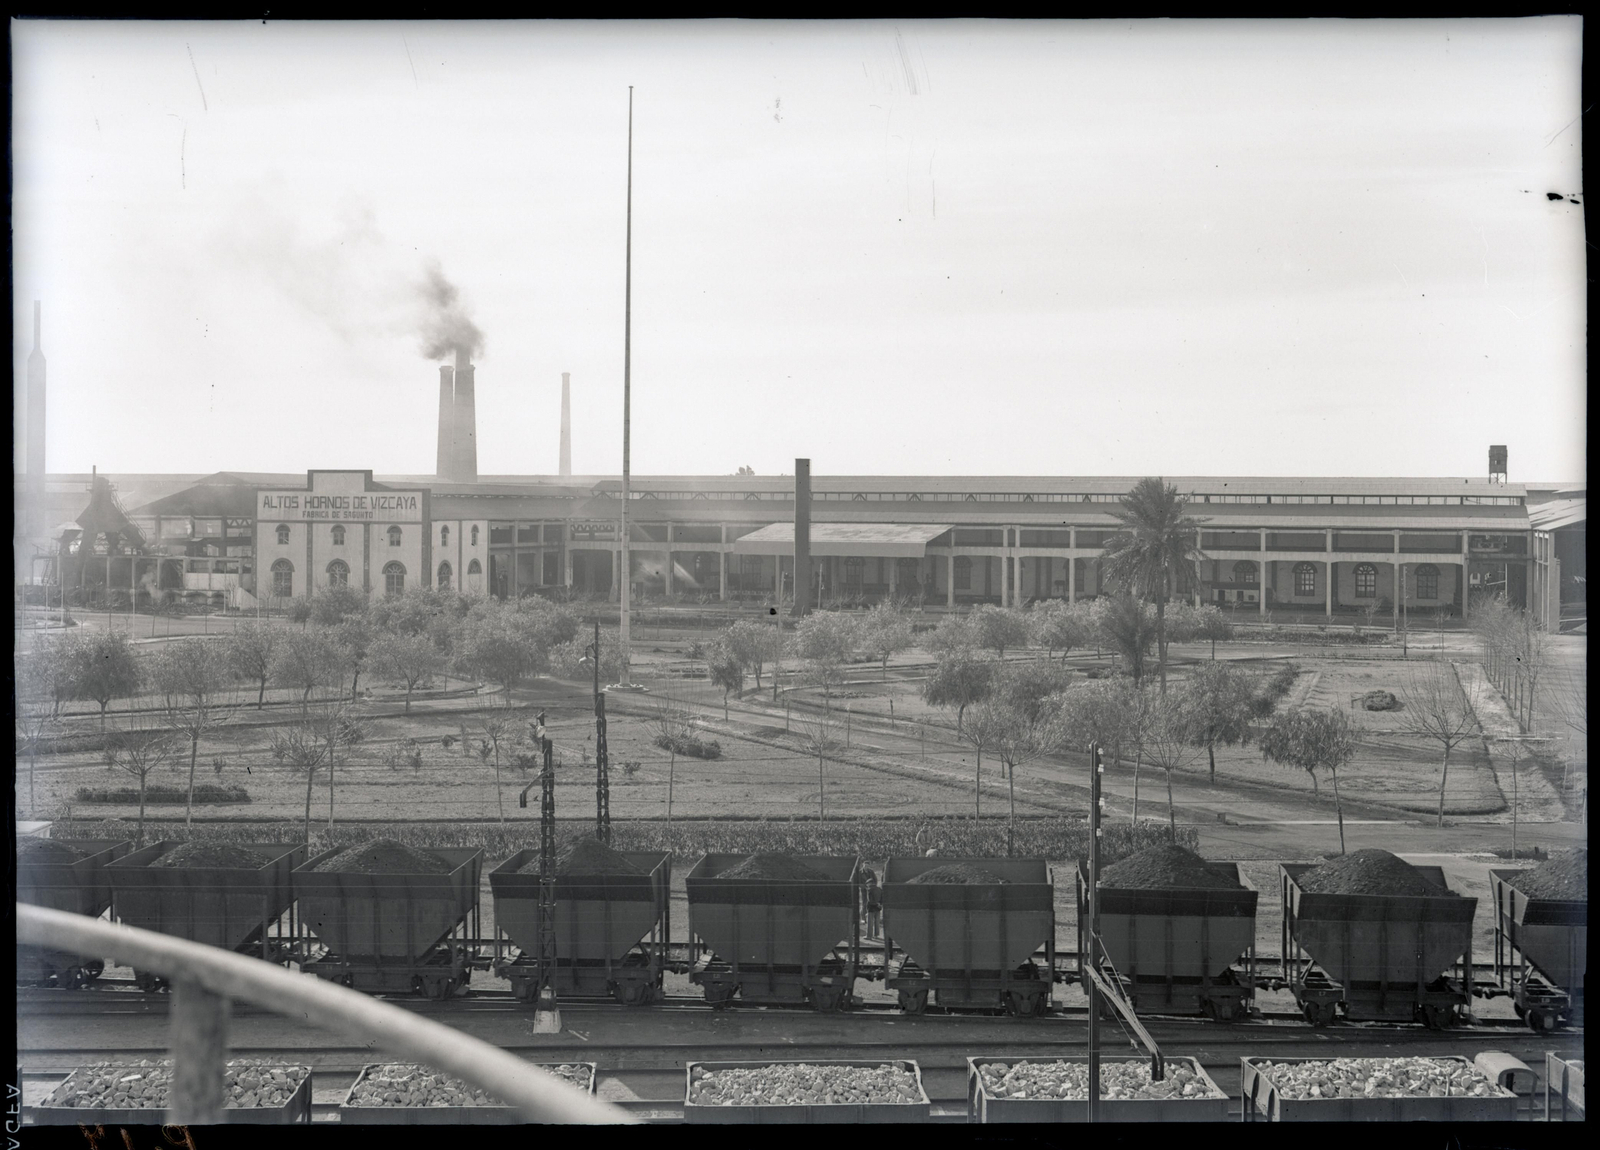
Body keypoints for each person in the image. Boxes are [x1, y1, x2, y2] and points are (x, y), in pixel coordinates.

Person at [863, 868, 882, 939]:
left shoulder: (869, 890)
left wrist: (872, 905)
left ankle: (869, 936)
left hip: (871, 908)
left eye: (867, 884)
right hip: (878, 907)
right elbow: (882, 899)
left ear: (869, 884)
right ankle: (876, 935)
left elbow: (870, 900)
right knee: (877, 922)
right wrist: (879, 904)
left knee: (870, 922)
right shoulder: (879, 889)